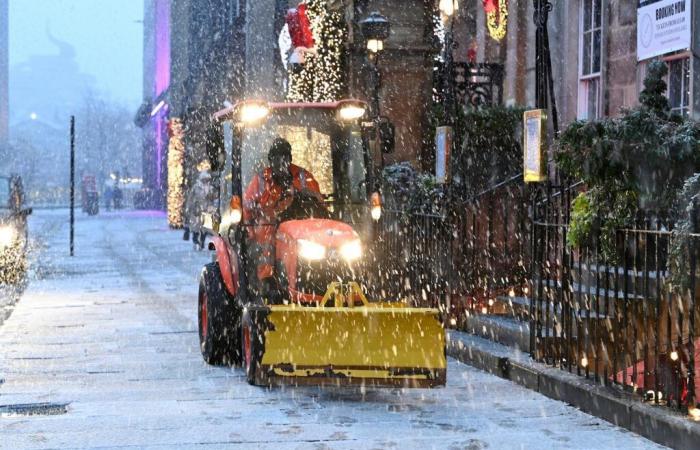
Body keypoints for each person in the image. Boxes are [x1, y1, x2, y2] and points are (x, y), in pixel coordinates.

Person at [243, 137, 322, 294]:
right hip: (268, 228)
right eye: (277, 157)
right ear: (271, 159)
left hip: (300, 228)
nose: (281, 162)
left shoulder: (302, 177)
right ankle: (265, 285)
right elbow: (247, 206)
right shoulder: (261, 180)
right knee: (265, 243)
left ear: (290, 158)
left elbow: (319, 203)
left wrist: (303, 195)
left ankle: (315, 284)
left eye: (285, 157)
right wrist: (249, 231)